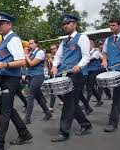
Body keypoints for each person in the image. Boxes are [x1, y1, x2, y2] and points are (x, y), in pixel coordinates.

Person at [0, 12, 32, 150]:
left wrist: (6, 65)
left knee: (4, 110)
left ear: (9, 24)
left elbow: (21, 61)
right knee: (8, 108)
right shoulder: (4, 40)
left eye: (1, 24)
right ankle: (24, 133)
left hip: (10, 79)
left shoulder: (13, 39)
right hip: (5, 78)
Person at [50, 14, 92, 142]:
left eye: (68, 23)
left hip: (76, 74)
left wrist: (79, 66)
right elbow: (58, 56)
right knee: (71, 102)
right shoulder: (64, 41)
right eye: (64, 24)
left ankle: (64, 132)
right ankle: (86, 124)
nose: (65, 26)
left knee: (68, 103)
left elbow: (86, 56)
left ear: (75, 24)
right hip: (65, 74)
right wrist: (55, 66)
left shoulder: (82, 37)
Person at [101, 18, 120, 132]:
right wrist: (104, 60)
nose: (111, 27)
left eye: (113, 25)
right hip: (113, 71)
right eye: (110, 25)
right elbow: (104, 53)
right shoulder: (108, 39)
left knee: (117, 95)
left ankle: (112, 123)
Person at [24, 39, 52, 124]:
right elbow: (25, 64)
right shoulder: (30, 53)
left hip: (38, 76)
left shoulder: (40, 52)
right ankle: (47, 112)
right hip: (30, 76)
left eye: (32, 43)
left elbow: (32, 63)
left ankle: (27, 118)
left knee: (30, 95)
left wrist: (26, 55)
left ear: (36, 44)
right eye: (29, 44)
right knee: (37, 96)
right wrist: (25, 55)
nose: (30, 45)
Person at [86, 40, 104, 107]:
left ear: (91, 45)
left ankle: (86, 104)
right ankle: (99, 100)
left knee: (89, 87)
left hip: (95, 70)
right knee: (91, 88)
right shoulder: (89, 52)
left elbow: (89, 59)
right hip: (89, 71)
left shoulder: (95, 52)